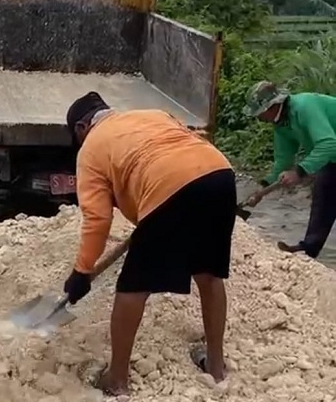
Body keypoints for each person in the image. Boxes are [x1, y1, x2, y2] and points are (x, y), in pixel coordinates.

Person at [63, 92, 236, 395]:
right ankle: (216, 367)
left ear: (81, 127)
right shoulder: (154, 114)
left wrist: (82, 270)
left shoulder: (90, 148)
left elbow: (97, 219)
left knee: (133, 286)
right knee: (209, 275)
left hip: (166, 185)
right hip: (218, 173)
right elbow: (191, 139)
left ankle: (116, 380)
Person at [243, 81, 336, 258]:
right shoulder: (282, 124)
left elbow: (329, 143)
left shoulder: (304, 107)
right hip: (333, 159)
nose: (259, 118)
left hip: (332, 150)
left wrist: (299, 171)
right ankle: (308, 250)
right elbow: (283, 160)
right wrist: (264, 186)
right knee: (323, 194)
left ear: (272, 106)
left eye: (259, 113)